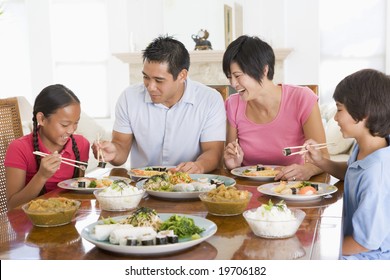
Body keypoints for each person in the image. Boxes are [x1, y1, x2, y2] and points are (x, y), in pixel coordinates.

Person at [94, 36, 226, 173]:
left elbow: (213, 152)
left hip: (190, 184)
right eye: (146, 77)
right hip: (142, 184)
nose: (150, 87)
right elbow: (121, 147)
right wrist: (113, 152)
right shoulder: (129, 97)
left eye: (159, 80)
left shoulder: (210, 100)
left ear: (182, 76)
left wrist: (199, 166)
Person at [304, 69, 390, 260]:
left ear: (364, 114)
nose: (335, 117)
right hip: (355, 242)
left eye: (340, 109)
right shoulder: (366, 146)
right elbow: (350, 172)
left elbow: (364, 243)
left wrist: (317, 247)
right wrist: (320, 161)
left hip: (369, 257)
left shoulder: (376, 174)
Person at [222, 35, 328, 181]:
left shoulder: (302, 98)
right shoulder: (233, 104)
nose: (233, 84)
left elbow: (324, 158)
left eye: (238, 75)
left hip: (290, 188)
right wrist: (233, 164)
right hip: (248, 189)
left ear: (263, 70)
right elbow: (230, 158)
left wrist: (307, 169)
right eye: (229, 77)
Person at [5, 84, 90, 209]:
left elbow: (78, 192)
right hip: (33, 222)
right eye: (64, 124)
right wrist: (42, 176)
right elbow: (13, 206)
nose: (71, 130)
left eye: (76, 123)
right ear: (42, 119)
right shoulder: (19, 148)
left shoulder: (81, 144)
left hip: (70, 216)